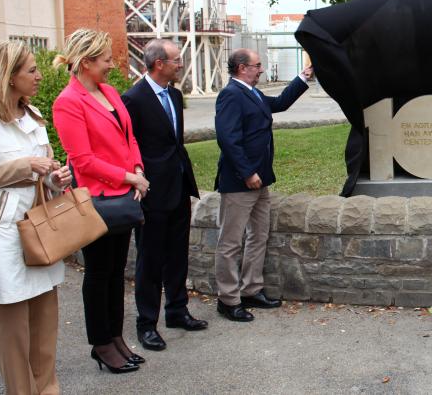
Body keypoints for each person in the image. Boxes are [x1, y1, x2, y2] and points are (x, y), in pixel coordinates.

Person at [0, 40, 72, 393]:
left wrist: (54, 177)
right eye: (31, 70)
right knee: (14, 326)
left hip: (39, 226)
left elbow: (43, 168)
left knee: (45, 318)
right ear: (8, 77)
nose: (39, 76)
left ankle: (47, 388)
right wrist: (21, 167)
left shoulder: (33, 115)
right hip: (3, 234)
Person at [53, 29, 148, 374]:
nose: (112, 64)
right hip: (95, 200)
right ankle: (101, 343)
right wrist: (129, 177)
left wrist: (136, 166)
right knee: (98, 273)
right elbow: (83, 160)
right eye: (106, 59)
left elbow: (129, 137)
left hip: (122, 196)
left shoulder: (109, 92)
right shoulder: (68, 102)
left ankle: (116, 337)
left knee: (115, 272)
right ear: (86, 62)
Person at [214, 49, 312, 322]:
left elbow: (279, 103)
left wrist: (303, 78)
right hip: (240, 183)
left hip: (260, 181)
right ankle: (228, 299)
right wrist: (247, 172)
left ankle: (251, 290)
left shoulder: (251, 92)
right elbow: (227, 138)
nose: (262, 70)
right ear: (243, 68)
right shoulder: (231, 94)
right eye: (258, 66)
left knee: (258, 236)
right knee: (231, 242)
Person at [122, 39, 205, 351]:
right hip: (152, 192)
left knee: (177, 255)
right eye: (176, 60)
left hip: (179, 186)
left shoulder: (174, 94)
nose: (180, 64)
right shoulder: (133, 98)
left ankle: (177, 311)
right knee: (150, 260)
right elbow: (128, 146)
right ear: (159, 64)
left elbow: (174, 142)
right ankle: (146, 324)